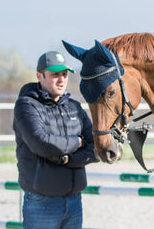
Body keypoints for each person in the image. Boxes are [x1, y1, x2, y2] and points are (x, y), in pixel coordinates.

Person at [13, 51, 98, 229]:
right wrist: (79, 142)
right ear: (40, 76)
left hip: (74, 201)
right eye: (55, 75)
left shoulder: (75, 107)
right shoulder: (26, 106)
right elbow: (42, 144)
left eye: (64, 75)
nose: (61, 80)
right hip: (42, 203)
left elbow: (96, 147)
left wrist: (69, 159)